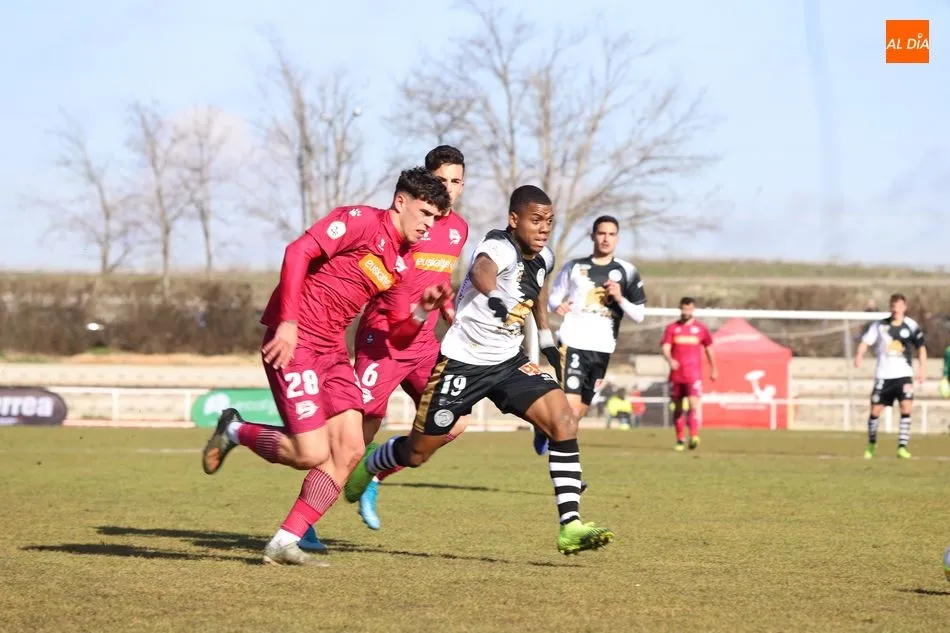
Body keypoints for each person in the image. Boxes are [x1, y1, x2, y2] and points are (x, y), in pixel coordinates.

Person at [199, 167, 453, 566]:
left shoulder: (401, 263)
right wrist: (287, 322)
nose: (429, 224)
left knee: (350, 450)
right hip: (296, 341)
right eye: (424, 213)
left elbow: (399, 336)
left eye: (435, 218)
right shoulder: (360, 221)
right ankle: (233, 429)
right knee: (310, 452)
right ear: (400, 201)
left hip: (332, 349)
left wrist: (422, 310)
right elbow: (297, 252)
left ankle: (285, 541)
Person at [342, 185, 614, 555]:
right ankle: (373, 463)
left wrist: (546, 339)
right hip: (462, 363)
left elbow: (536, 292)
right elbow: (483, 271)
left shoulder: (545, 256)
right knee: (418, 453)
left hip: (508, 362)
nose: (543, 228)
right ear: (514, 219)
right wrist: (496, 297)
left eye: (549, 221)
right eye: (535, 220)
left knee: (564, 421)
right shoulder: (497, 246)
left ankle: (570, 526)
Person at [299, 146, 469, 550]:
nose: (450, 188)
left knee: (454, 420)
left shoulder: (459, 230)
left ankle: (376, 470)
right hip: (383, 339)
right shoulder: (409, 223)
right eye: (442, 180)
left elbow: (439, 278)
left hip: (423, 342)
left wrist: (447, 309)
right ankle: (303, 523)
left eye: (457, 181)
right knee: (354, 437)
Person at [534, 215, 646, 455]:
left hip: (602, 348)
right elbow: (553, 298)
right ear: (593, 235)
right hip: (573, 342)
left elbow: (638, 315)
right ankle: (565, 463)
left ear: (617, 238)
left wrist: (619, 297)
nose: (606, 238)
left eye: (611, 234)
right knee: (571, 410)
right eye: (601, 233)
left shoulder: (627, 271)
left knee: (578, 413)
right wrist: (558, 306)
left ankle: (542, 426)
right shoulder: (574, 267)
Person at [854, 292, 926, 459]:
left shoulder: (911, 325)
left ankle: (902, 447)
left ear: (904, 307)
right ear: (890, 307)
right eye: (893, 306)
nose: (896, 309)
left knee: (906, 407)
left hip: (904, 374)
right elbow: (865, 341)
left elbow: (921, 347)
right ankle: (872, 444)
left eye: (899, 306)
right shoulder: (880, 325)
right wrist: (859, 356)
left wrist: (922, 369)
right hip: (884, 375)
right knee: (875, 410)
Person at [661, 297, 717, 451]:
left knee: (693, 405)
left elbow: (709, 349)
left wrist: (714, 368)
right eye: (684, 309)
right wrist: (670, 359)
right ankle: (680, 439)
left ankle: (694, 436)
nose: (686, 312)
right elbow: (666, 347)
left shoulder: (701, 329)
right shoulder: (672, 328)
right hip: (676, 375)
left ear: (693, 309)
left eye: (689, 309)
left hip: (693, 375)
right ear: (680, 309)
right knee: (678, 407)